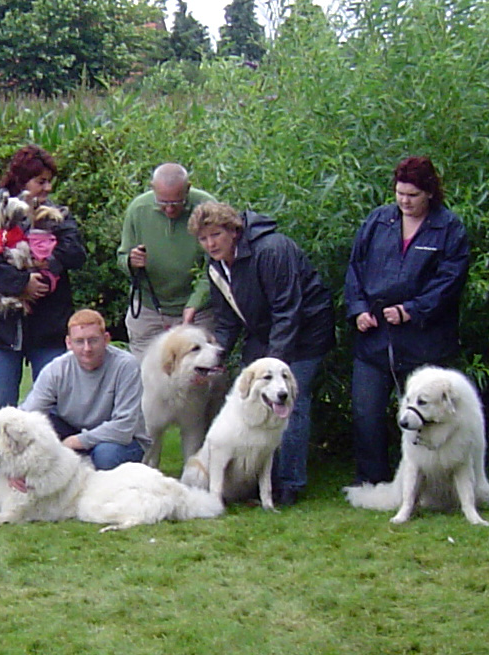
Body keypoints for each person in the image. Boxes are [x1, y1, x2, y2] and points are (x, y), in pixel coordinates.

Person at [192, 201, 335, 506]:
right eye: (203, 239)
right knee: (247, 395)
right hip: (265, 331)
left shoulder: (271, 250)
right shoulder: (216, 266)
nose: (210, 244)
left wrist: (274, 365)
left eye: (216, 235)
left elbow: (288, 309)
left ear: (233, 230)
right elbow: (228, 319)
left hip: (306, 331)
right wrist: (213, 358)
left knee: (288, 399)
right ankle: (253, 481)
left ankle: (289, 485)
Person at [344, 157, 469, 485]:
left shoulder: (449, 228)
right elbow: (355, 267)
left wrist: (411, 309)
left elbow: (450, 281)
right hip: (374, 339)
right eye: (400, 193)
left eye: (412, 194)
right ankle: (372, 482)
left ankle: (426, 481)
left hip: (423, 341)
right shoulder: (378, 220)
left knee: (422, 417)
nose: (404, 201)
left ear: (429, 192)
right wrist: (358, 310)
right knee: (366, 413)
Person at [0, 144, 86, 412]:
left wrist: (47, 267)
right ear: (21, 180)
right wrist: (22, 285)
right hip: (1, 327)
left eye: (49, 182)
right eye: (41, 182)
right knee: (2, 409)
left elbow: (76, 253)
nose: (47, 189)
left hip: (48, 327)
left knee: (52, 407)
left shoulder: (57, 214)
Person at [19, 309, 149, 470]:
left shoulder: (126, 366)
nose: (87, 348)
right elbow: (27, 417)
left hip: (122, 440)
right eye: (79, 341)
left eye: (93, 340)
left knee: (105, 455)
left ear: (106, 339)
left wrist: (76, 441)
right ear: (68, 343)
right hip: (73, 429)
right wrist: (18, 464)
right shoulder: (56, 370)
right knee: (38, 431)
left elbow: (124, 427)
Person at [117, 163, 219, 361]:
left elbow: (215, 266)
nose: (170, 209)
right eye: (163, 202)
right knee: (147, 375)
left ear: (188, 188)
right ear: (152, 188)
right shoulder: (138, 209)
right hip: (149, 308)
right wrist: (131, 261)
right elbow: (121, 257)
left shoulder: (207, 207)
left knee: (199, 375)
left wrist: (194, 305)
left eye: (177, 202)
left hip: (198, 310)